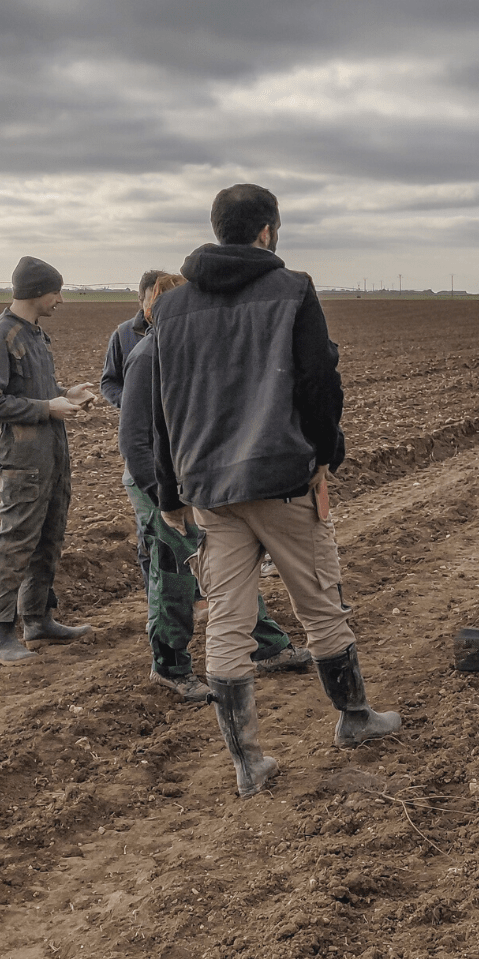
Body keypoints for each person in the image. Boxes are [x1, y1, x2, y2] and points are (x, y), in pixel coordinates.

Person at [151, 184, 400, 798]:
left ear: (218, 228)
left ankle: (248, 762)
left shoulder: (171, 308)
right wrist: (325, 454)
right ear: (267, 231)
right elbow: (318, 383)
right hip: (283, 479)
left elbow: (162, 405)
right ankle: (354, 718)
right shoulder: (293, 289)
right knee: (320, 603)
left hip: (209, 486)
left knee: (227, 619)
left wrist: (169, 492)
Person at [118, 272, 311, 702]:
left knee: (227, 567)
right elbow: (134, 441)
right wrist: (165, 498)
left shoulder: (189, 348)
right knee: (175, 573)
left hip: (194, 480)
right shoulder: (148, 356)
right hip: (158, 485)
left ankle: (265, 646)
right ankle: (169, 667)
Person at [0, 256, 96, 664]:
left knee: (49, 536)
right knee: (17, 540)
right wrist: (47, 407)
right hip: (22, 458)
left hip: (51, 452)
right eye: (55, 292)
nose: (60, 299)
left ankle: (38, 620)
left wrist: (66, 394)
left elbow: (35, 390)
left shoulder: (36, 334)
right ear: (36, 291)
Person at [100, 269, 166, 591]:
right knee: (148, 527)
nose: (155, 305)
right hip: (142, 441)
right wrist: (132, 404)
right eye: (151, 299)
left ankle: (186, 595)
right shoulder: (124, 334)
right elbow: (108, 382)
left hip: (172, 442)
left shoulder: (178, 331)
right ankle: (154, 594)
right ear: (140, 299)